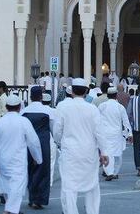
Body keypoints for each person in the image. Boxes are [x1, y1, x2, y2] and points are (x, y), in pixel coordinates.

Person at [53, 78, 109, 214]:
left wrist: (62, 142)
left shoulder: (62, 107)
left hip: (70, 152)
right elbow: (99, 133)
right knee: (92, 185)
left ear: (72, 92)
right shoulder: (92, 109)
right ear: (86, 92)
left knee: (69, 186)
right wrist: (104, 152)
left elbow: (56, 132)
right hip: (89, 152)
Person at [0, 94, 43, 214]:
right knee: (17, 186)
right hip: (17, 160)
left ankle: (12, 209)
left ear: (6, 107)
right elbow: (33, 142)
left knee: (7, 185)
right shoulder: (24, 121)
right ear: (19, 107)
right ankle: (9, 210)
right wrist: (37, 158)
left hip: (2, 160)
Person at [20, 86, 56, 209]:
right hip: (43, 143)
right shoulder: (48, 111)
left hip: (28, 144)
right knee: (43, 170)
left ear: (30, 97)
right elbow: (53, 129)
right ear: (41, 97)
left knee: (30, 169)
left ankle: (32, 197)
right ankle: (39, 199)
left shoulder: (24, 111)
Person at [98, 87, 132, 181]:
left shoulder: (102, 106)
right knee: (117, 154)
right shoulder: (120, 107)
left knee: (107, 153)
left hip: (104, 134)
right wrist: (130, 134)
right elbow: (126, 121)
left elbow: (97, 121)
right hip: (116, 134)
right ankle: (114, 173)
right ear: (116, 95)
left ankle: (109, 172)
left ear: (108, 96)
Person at [42, 93, 58, 188]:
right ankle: (49, 182)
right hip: (49, 138)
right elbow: (54, 128)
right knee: (51, 161)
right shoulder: (53, 111)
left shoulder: (36, 109)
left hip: (38, 137)